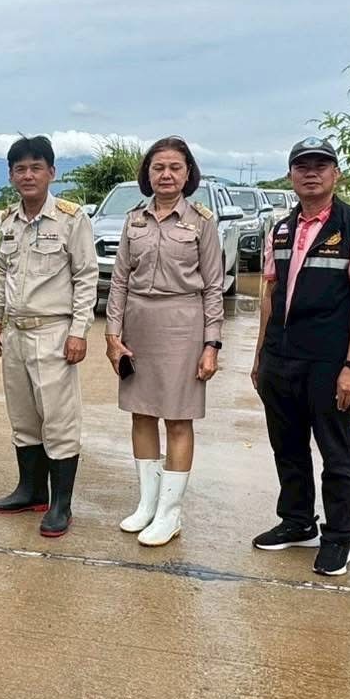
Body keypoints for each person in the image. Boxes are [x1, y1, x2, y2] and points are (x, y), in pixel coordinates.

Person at [251, 136, 350, 577]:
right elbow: (270, 295)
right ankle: (297, 520)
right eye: (302, 165)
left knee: (335, 451)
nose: (312, 172)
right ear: (291, 175)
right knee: (286, 446)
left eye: (321, 165)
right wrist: (259, 357)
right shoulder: (282, 229)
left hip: (329, 361)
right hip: (281, 357)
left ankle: (339, 538)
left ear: (335, 173)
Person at [104, 137, 225, 547]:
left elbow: (212, 287)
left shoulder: (202, 223)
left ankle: (171, 513)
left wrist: (211, 344)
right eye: (159, 167)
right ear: (147, 173)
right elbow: (119, 279)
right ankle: (148, 504)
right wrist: (112, 334)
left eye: (175, 167)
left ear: (188, 173)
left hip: (182, 325)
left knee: (177, 418)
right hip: (139, 323)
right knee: (140, 414)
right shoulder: (133, 220)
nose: (167, 175)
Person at [0, 136, 97, 537]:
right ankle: (29, 489)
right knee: (24, 417)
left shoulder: (71, 219)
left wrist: (79, 331)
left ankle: (60, 504)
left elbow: (86, 277)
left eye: (36, 167)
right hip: (16, 332)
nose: (28, 174)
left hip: (53, 332)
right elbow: (2, 274)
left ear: (52, 172)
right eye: (20, 168)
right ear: (11, 175)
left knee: (59, 420)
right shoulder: (7, 222)